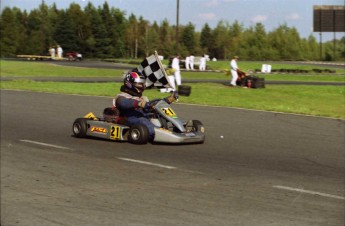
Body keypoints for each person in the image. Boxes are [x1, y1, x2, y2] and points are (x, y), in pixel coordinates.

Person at [113, 69, 178, 142]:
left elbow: (150, 106)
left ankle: (179, 128)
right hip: (127, 118)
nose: (142, 86)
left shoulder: (140, 97)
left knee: (160, 115)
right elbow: (124, 104)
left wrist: (168, 100)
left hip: (141, 116)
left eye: (142, 84)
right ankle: (157, 132)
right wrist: (138, 103)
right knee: (143, 120)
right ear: (129, 83)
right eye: (139, 84)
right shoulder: (121, 96)